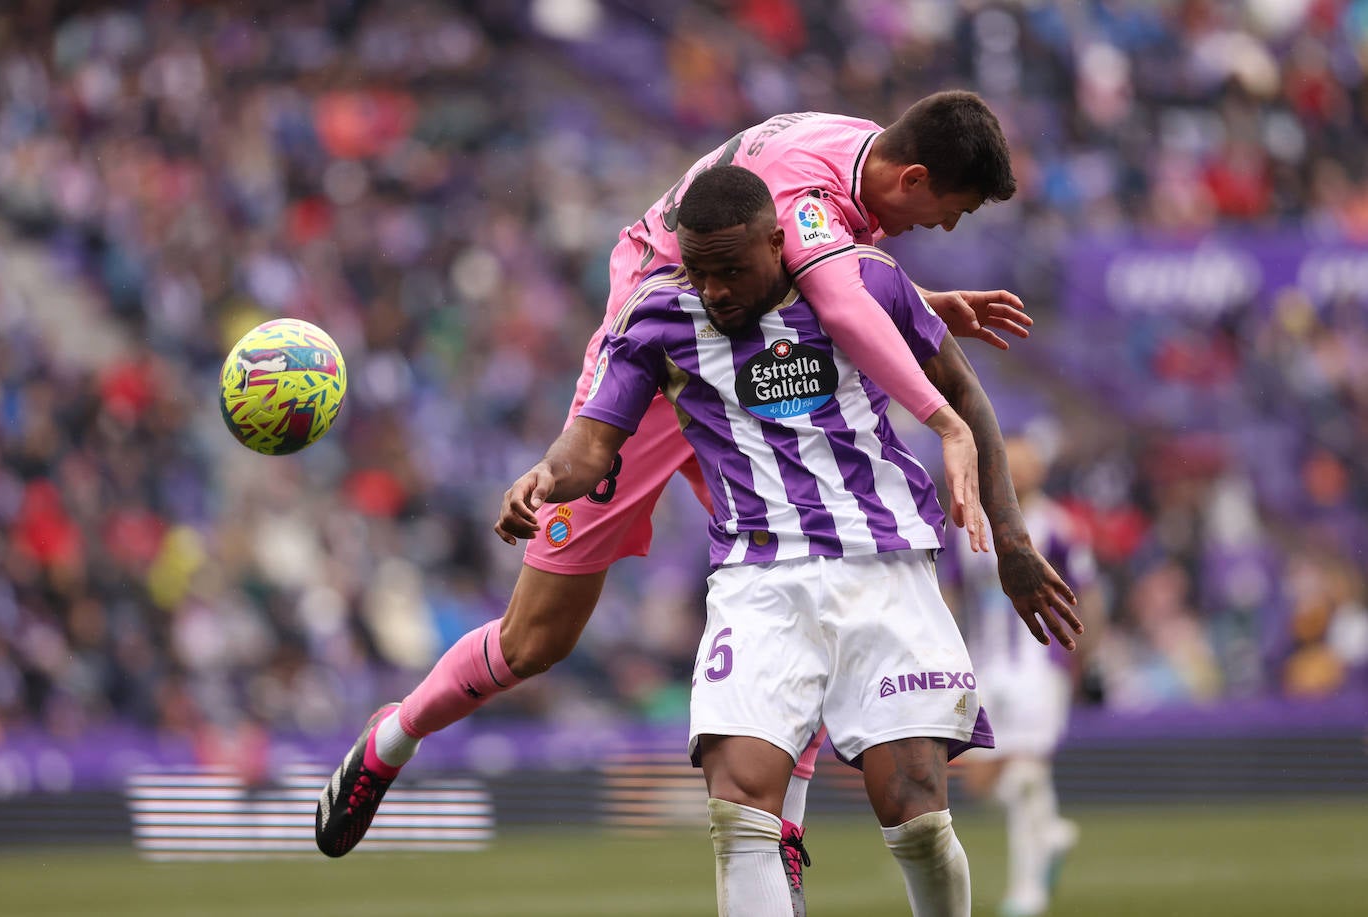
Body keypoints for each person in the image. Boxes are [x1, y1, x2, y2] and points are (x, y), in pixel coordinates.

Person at [315, 91, 1061, 873]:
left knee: (804, 553)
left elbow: (831, 283)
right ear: (911, 177)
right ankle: (393, 737)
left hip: (759, 374)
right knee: (537, 637)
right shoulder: (802, 203)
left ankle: (785, 828)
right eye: (949, 212)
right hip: (663, 367)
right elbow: (837, 292)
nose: (941, 229)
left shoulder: (848, 147)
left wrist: (915, 306)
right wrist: (941, 420)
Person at [493, 165, 1083, 916]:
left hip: (885, 567)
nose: (714, 291)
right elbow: (592, 441)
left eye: (731, 270)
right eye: (699, 271)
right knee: (738, 806)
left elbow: (965, 393)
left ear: (777, 242)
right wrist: (545, 476)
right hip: (757, 579)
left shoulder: (862, 279)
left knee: (917, 815)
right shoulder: (655, 318)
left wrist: (1012, 542)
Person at [948, 433, 1101, 917]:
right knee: (982, 777)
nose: (1016, 472)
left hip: (1040, 662)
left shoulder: (1057, 526)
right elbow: (950, 592)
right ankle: (1050, 830)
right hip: (983, 664)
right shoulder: (968, 522)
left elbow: (1087, 595)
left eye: (1025, 464)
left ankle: (1027, 892)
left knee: (1028, 767)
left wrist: (1079, 657)